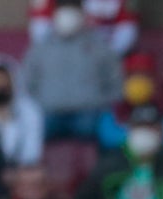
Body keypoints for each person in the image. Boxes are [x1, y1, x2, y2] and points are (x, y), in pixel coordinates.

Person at [24, 0, 123, 143]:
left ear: (83, 15)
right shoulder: (40, 48)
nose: (67, 16)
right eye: (64, 11)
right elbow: (26, 83)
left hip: (88, 114)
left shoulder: (99, 46)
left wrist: (103, 103)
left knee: (105, 127)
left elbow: (116, 81)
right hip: (49, 114)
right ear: (54, 15)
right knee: (32, 128)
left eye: (72, 11)